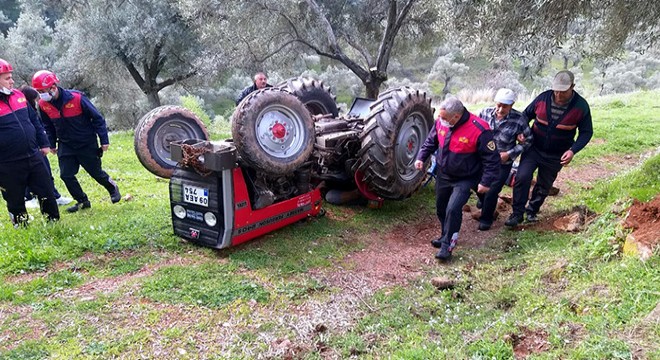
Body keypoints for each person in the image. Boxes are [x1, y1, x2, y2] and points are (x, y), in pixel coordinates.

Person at [415, 97, 500, 261]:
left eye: (445, 118)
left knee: (453, 209)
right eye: (440, 117)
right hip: (444, 174)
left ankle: (447, 246)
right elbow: (430, 141)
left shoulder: (480, 129)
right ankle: (444, 235)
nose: (441, 121)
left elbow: (492, 159)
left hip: (465, 178)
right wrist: (421, 157)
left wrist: (486, 181)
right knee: (441, 208)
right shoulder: (441, 122)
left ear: (456, 116)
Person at [505, 70, 593, 227]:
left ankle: (532, 211)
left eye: (563, 91)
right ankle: (517, 214)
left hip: (557, 153)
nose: (558, 95)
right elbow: (526, 115)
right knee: (522, 177)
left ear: (572, 87)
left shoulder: (581, 106)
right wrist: (521, 132)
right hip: (533, 147)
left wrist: (572, 150)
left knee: (544, 184)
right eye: (556, 90)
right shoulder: (543, 98)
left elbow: (586, 132)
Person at [32, 70, 121, 213]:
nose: (41, 94)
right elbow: (48, 125)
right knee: (66, 175)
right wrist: (52, 143)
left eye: (43, 91)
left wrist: (104, 140)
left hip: (86, 142)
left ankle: (112, 188)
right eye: (38, 91)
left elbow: (97, 118)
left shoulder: (77, 98)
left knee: (96, 173)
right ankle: (82, 201)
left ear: (53, 87)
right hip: (65, 144)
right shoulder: (43, 104)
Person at [0, 59, 59, 226]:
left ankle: (53, 223)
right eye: (7, 78)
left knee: (46, 190)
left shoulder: (19, 96)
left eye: (11, 77)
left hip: (33, 155)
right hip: (7, 163)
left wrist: (44, 143)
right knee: (15, 197)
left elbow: (35, 121)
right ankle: (21, 226)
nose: (12, 81)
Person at [476, 88, 533, 230]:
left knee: (492, 188)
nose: (500, 109)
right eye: (498, 105)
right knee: (477, 184)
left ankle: (486, 218)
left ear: (512, 105)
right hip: (482, 158)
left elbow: (529, 140)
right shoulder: (484, 113)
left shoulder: (519, 120)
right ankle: (485, 202)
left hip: (503, 161)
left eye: (505, 106)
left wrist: (510, 153)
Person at [19, 85, 73, 208]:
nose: (37, 101)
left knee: (45, 172)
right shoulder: (23, 110)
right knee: (36, 173)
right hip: (31, 147)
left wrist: (46, 143)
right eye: (34, 99)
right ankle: (30, 197)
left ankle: (54, 195)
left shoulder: (32, 110)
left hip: (37, 146)